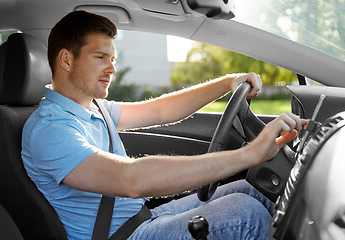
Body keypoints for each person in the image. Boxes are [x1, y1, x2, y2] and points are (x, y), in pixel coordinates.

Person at [21, 11, 307, 240]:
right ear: (66, 60)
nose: (112, 68)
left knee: (253, 189)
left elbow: (161, 110)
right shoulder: (50, 130)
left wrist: (227, 82)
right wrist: (248, 154)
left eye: (113, 59)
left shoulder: (95, 108)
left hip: (142, 219)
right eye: (100, 58)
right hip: (123, 235)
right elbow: (131, 180)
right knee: (247, 214)